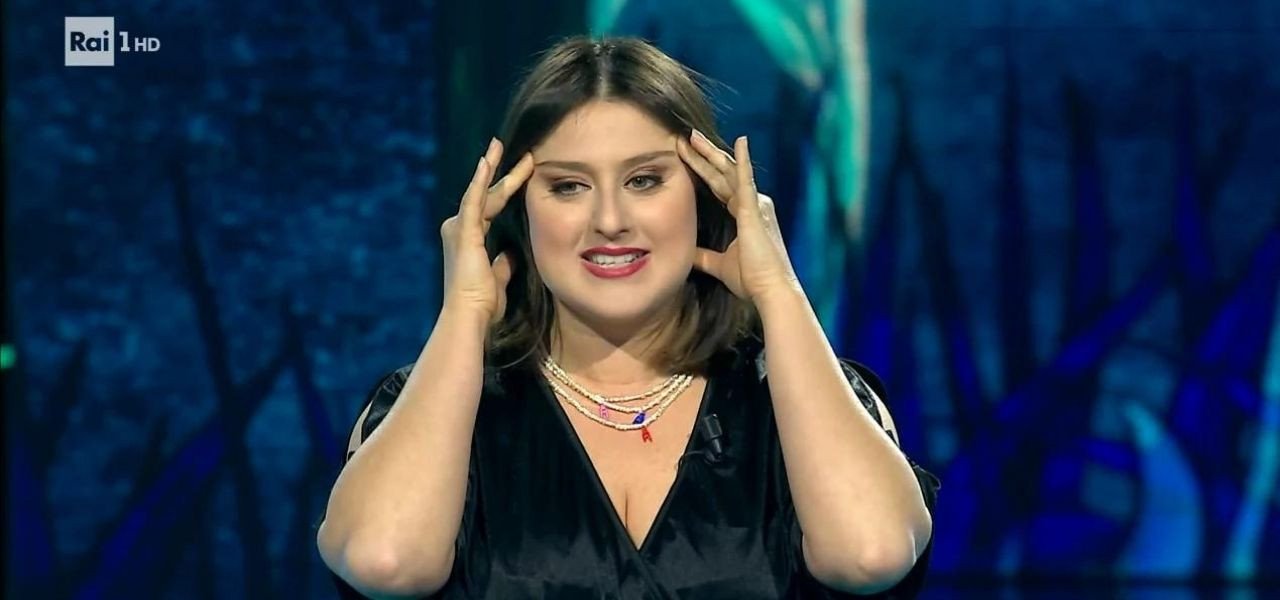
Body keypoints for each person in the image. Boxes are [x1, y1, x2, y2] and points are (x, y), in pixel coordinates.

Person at [317, 35, 940, 599]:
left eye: (644, 180)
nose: (610, 221)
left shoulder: (803, 396)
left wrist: (777, 290)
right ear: (518, 209)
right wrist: (465, 312)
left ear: (705, 194)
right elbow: (384, 562)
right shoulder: (430, 405)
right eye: (568, 186)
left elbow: (871, 555)